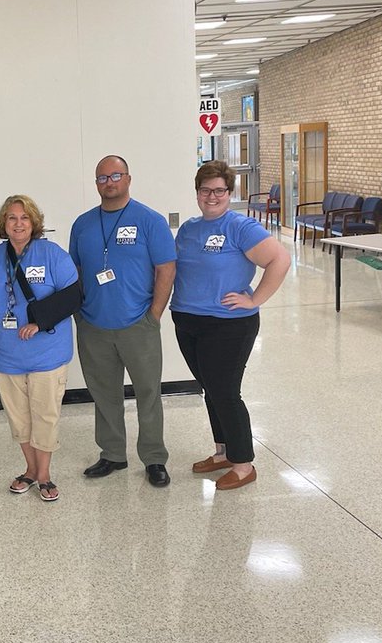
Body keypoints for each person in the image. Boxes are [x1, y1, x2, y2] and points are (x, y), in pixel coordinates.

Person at [171, 159, 290, 491]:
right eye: (205, 190)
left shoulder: (239, 227)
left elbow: (280, 259)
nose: (212, 196)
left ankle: (243, 464)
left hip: (228, 326)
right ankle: (222, 451)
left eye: (219, 190)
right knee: (211, 389)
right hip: (188, 321)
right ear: (197, 192)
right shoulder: (190, 228)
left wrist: (255, 300)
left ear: (230, 192)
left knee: (225, 392)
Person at [69, 154, 177, 488]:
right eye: (102, 178)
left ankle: (154, 457)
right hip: (93, 326)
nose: (109, 182)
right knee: (104, 394)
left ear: (128, 178)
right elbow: (75, 272)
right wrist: (79, 315)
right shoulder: (83, 224)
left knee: (148, 393)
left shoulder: (150, 220)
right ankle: (113, 453)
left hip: (138, 325)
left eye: (115, 175)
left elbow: (166, 269)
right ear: (96, 184)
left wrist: (154, 315)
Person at [0, 195, 79, 502]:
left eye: (24, 218)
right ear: (3, 224)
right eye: (11, 218)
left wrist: (38, 321)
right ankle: (30, 470)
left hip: (47, 353)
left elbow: (74, 296)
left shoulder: (51, 254)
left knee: (45, 416)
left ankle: (45, 475)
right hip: (7, 354)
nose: (18, 223)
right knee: (19, 418)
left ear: (34, 222)